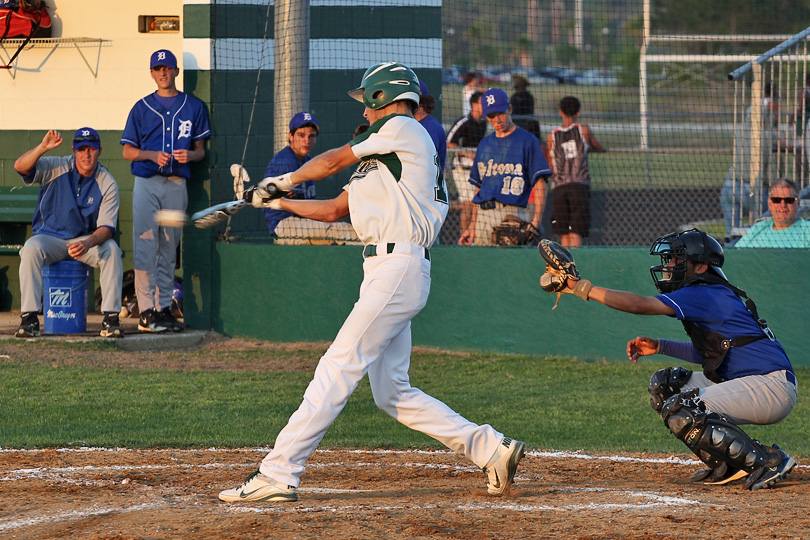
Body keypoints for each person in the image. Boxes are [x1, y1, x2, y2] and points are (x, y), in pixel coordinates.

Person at [218, 61, 525, 504]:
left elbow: (328, 162)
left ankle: (279, 471)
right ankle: (490, 449)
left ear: (385, 97)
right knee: (393, 391)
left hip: (398, 265)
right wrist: (277, 199)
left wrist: (281, 180)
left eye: (368, 102)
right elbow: (332, 211)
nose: (364, 111)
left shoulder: (403, 128)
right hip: (386, 271)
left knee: (337, 365)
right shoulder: (382, 156)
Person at [542, 229, 797, 490]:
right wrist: (661, 346)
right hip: (755, 383)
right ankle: (729, 464)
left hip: (771, 388)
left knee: (682, 408)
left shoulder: (705, 292)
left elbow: (639, 305)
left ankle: (769, 461)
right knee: (666, 385)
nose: (669, 265)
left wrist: (580, 287)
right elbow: (714, 355)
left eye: (677, 259)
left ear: (700, 266)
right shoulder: (709, 292)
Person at [121, 49, 210, 333]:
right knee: (146, 245)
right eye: (158, 69)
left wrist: (191, 157)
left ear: (176, 72)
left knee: (169, 247)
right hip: (147, 183)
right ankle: (146, 310)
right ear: (152, 73)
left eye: (168, 68)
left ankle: (162, 308)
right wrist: (149, 154)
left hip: (176, 183)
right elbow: (127, 151)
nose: (163, 73)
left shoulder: (193, 106)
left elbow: (201, 151)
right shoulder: (141, 107)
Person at [13, 128, 124, 339]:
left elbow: (107, 228)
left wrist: (89, 243)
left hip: (84, 242)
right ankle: (29, 318)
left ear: (100, 151)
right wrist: (43, 148)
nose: (87, 154)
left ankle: (111, 319)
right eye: (82, 149)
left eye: (91, 149)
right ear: (74, 151)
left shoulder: (107, 182)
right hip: (50, 238)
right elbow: (20, 166)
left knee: (111, 250)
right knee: (30, 249)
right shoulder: (57, 166)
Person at [459, 88, 551, 246]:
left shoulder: (527, 140)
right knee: (484, 269)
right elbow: (478, 188)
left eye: (500, 113)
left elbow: (540, 182)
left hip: (513, 214)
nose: (497, 120)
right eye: (491, 116)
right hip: (483, 216)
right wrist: (473, 225)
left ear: (509, 109)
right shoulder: (485, 144)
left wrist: (536, 220)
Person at [261, 112, 358, 245]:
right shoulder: (285, 161)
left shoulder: (306, 159)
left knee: (337, 228)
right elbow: (297, 205)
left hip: (302, 223)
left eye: (311, 136)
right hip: (284, 225)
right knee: (340, 231)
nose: (306, 141)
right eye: (301, 135)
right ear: (291, 136)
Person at [547, 96, 605, 248]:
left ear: (560, 112)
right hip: (579, 186)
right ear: (578, 113)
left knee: (565, 231)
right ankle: (574, 264)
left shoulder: (551, 136)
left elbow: (550, 165)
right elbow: (598, 147)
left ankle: (566, 264)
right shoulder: (583, 130)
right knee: (576, 231)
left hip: (560, 186)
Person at [447, 90, 487, 236]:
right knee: (468, 205)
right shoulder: (463, 122)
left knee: (476, 204)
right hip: (461, 168)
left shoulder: (483, 123)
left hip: (475, 169)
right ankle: (464, 235)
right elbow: (448, 143)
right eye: (482, 103)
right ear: (474, 104)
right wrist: (467, 153)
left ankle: (473, 235)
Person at [735, 178, 810, 247]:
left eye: (789, 200)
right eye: (776, 200)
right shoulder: (758, 228)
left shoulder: (807, 231)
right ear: (769, 204)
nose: (783, 205)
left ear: (798, 204)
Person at [414, 80, 447, 172]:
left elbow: (426, 158)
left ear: (420, 105)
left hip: (429, 182)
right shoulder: (415, 124)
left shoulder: (431, 127)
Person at [509, 73, 542, 141]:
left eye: (517, 79)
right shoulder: (514, 96)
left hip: (524, 125)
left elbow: (530, 113)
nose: (515, 81)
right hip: (514, 124)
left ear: (522, 82)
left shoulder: (527, 96)